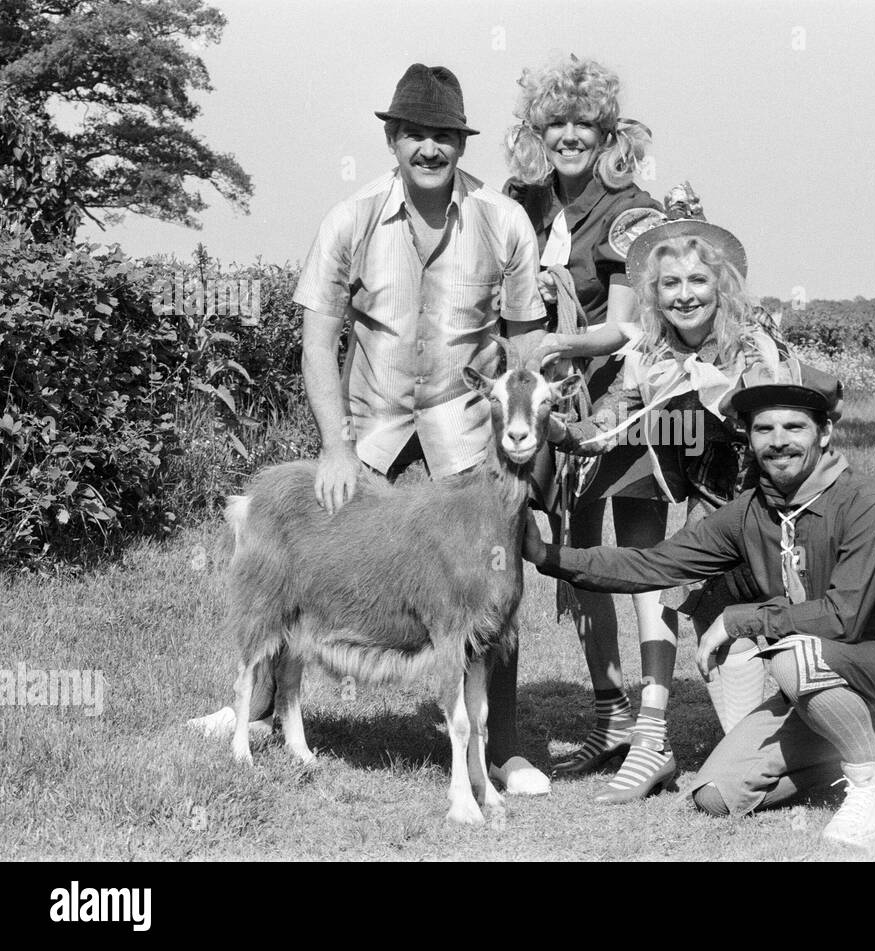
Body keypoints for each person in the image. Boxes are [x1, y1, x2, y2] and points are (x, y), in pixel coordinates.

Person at [188, 63, 552, 796]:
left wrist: (528, 419)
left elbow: (527, 340)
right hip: (371, 421)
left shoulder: (502, 221)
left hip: (466, 421)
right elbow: (318, 342)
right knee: (319, 560)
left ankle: (499, 746)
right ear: (391, 137)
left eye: (444, 135)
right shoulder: (350, 218)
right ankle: (257, 707)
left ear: (460, 142)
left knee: (490, 565)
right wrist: (333, 445)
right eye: (415, 133)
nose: (429, 148)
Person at [525, 368, 875, 846]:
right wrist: (548, 556)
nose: (778, 441)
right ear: (749, 438)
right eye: (764, 429)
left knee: (793, 654)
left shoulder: (864, 501)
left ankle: (870, 786)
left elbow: (841, 617)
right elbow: (656, 564)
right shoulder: (750, 513)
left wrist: (739, 619)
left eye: (794, 427)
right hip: (819, 683)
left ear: (825, 433)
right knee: (716, 796)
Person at [544, 209, 812, 803]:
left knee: (801, 643)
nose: (685, 295)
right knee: (714, 641)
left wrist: (726, 396)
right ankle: (662, 745)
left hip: (779, 516)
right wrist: (560, 431)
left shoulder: (755, 343)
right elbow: (609, 422)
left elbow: (789, 431)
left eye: (697, 281)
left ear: (721, 286)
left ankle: (857, 747)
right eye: (671, 284)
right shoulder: (648, 354)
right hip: (714, 514)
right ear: (654, 294)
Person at [500, 55, 672, 784]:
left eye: (585, 123)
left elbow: (629, 329)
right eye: (556, 122)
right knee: (575, 560)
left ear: (607, 132)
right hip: (552, 409)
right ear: (538, 129)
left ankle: (657, 725)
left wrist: (558, 342)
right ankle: (610, 713)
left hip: (628, 403)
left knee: (642, 564)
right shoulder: (519, 202)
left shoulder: (634, 207)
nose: (570, 135)